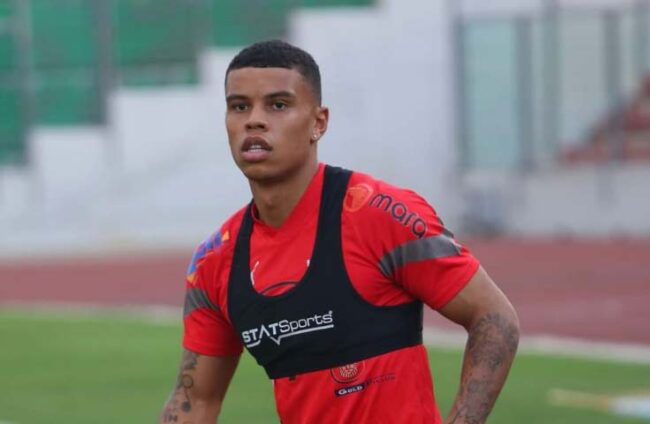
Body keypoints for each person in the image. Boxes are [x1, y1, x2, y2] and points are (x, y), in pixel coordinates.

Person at [159, 39, 519, 424]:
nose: (254, 120)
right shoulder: (215, 261)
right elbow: (195, 400)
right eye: (239, 106)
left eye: (278, 105)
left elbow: (494, 317)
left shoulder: (379, 215)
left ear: (319, 123)